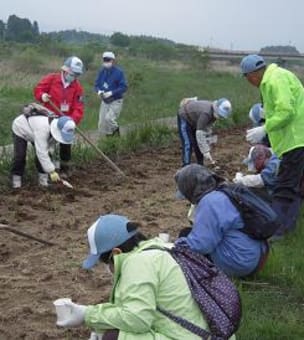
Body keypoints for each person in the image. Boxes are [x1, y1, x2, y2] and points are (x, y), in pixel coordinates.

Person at [55, 213, 212, 340]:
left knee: (113, 337)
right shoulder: (162, 248)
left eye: (105, 262)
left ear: (116, 253)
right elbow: (135, 307)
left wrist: (86, 315)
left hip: (190, 336)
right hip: (203, 333)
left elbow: (137, 319)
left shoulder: (138, 263)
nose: (107, 268)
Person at [240, 54, 304, 236]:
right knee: (293, 183)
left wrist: (265, 128)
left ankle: (277, 232)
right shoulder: (273, 79)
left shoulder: (275, 80)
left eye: (247, 78)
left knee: (283, 187)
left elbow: (286, 111)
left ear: (251, 75)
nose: (249, 82)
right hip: (296, 139)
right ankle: (288, 225)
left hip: (296, 140)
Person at [175, 164, 269, 278]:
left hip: (241, 263)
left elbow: (201, 245)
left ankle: (199, 278)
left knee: (185, 239)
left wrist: (173, 247)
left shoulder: (210, 202)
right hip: (257, 255)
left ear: (190, 188)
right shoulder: (224, 189)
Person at [34, 56, 84, 176]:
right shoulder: (52, 79)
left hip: (66, 120)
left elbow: (79, 107)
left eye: (77, 75)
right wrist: (42, 96)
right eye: (73, 74)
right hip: (49, 118)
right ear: (65, 70)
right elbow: (38, 90)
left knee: (65, 145)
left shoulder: (77, 87)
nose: (74, 77)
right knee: (48, 145)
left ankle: (65, 170)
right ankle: (47, 171)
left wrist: (72, 121)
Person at [11, 104, 76, 188]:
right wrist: (51, 171)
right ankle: (16, 181)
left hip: (34, 130)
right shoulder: (43, 128)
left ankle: (43, 181)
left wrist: (52, 165)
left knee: (46, 154)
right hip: (21, 128)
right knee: (20, 156)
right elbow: (41, 152)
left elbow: (48, 150)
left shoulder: (54, 129)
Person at [177, 97, 232, 167]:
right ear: (217, 109)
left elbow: (206, 130)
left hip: (194, 120)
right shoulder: (206, 113)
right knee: (188, 143)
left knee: (198, 144)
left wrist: (207, 142)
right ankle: (186, 165)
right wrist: (206, 151)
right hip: (184, 116)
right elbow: (199, 133)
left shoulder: (214, 115)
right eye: (220, 115)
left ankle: (200, 165)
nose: (220, 117)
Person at [94, 51, 128, 136]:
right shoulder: (102, 71)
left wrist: (112, 92)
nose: (106, 62)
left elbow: (124, 87)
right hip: (105, 100)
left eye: (108, 60)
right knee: (102, 123)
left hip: (116, 100)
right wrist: (99, 91)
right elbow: (96, 85)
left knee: (109, 119)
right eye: (105, 60)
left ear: (113, 61)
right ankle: (109, 141)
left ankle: (117, 135)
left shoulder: (119, 72)